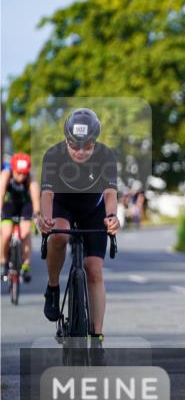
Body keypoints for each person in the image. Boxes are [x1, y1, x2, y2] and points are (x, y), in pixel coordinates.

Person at [36, 108, 120, 342]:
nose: (81, 151)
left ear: (95, 141)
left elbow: (111, 193)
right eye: (75, 145)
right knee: (59, 236)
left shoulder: (106, 155)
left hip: (93, 210)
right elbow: (47, 195)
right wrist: (46, 219)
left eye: (88, 145)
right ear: (66, 139)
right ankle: (53, 288)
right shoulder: (53, 155)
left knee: (93, 269)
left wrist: (112, 216)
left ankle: (97, 336)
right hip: (63, 205)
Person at [1, 153, 41, 282]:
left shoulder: (30, 176)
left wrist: (37, 214)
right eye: (18, 173)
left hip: (25, 205)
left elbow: (35, 197)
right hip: (10, 205)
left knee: (25, 232)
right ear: (13, 169)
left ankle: (25, 265)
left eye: (24, 174)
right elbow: (1, 193)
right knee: (6, 233)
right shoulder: (6, 173)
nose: (21, 177)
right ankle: (3, 262)